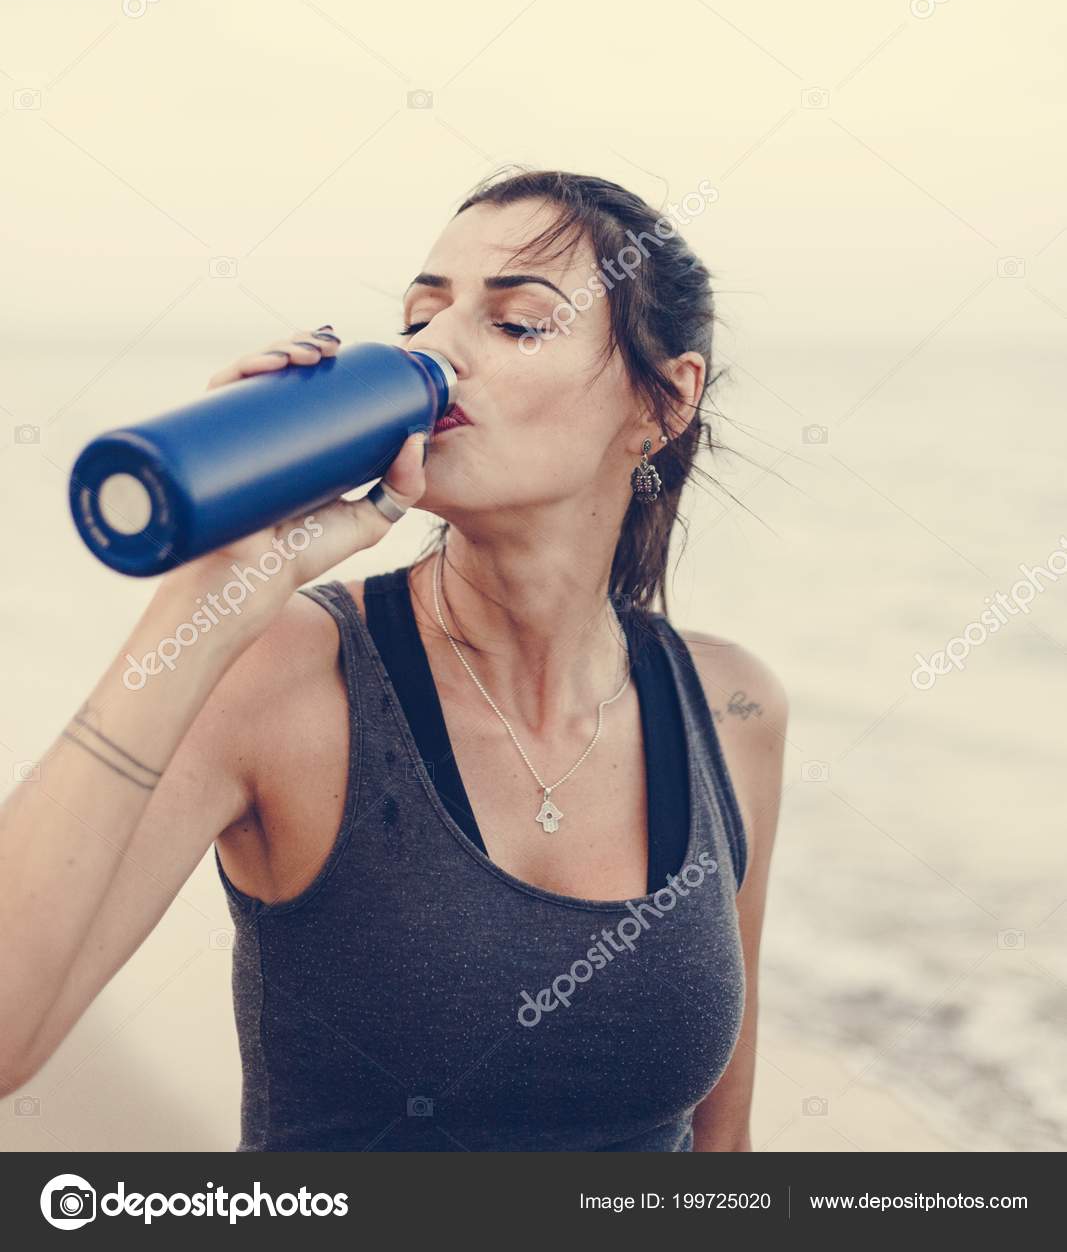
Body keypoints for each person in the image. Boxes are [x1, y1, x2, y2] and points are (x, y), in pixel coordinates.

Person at [0, 167, 787, 1152]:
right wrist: (209, 592)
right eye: (421, 315)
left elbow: (722, 1149)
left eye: (514, 323)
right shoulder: (283, 673)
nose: (434, 349)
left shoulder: (729, 705)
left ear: (663, 401)